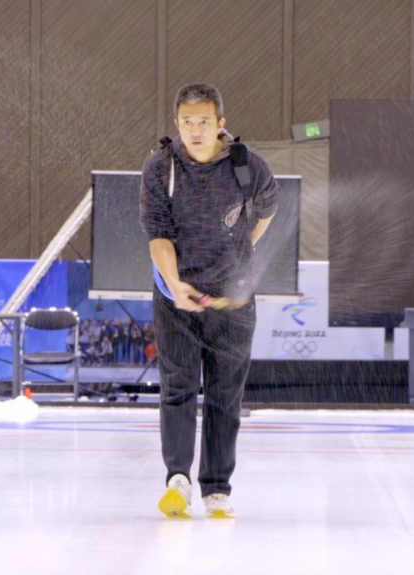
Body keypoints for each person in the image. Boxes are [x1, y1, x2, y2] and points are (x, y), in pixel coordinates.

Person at [139, 83, 278, 519]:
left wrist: (239, 257)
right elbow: (158, 234)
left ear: (220, 124)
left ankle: (216, 488)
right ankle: (177, 479)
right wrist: (175, 283)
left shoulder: (248, 166)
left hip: (232, 304)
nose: (195, 130)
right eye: (187, 122)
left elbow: (267, 210)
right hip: (175, 299)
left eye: (203, 122)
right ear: (176, 123)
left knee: (224, 395)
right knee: (177, 387)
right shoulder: (160, 167)